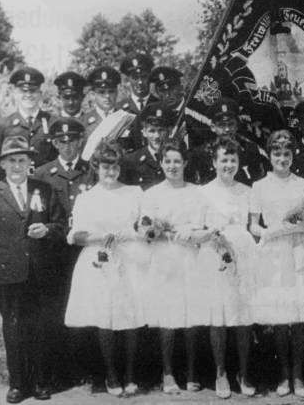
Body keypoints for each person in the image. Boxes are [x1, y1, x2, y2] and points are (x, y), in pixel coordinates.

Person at [0, 136, 67, 403]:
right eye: (11, 160)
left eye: (21, 160)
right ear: (2, 164)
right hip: (7, 273)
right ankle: (17, 383)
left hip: (40, 272)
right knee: (13, 327)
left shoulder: (44, 190)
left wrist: (47, 229)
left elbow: (61, 225)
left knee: (40, 327)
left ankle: (40, 381)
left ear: (29, 163)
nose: (16, 165)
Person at [63, 139, 146, 397]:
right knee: (105, 317)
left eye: (115, 167)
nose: (111, 172)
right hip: (99, 261)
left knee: (131, 316)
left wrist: (134, 233)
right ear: (96, 168)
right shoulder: (86, 198)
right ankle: (111, 375)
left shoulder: (134, 193)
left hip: (130, 258)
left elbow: (144, 225)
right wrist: (99, 237)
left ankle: (130, 374)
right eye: (106, 167)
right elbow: (75, 236)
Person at [249, 130, 304, 398]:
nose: (282, 159)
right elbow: (253, 225)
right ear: (269, 156)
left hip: (299, 249)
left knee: (299, 317)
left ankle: (298, 374)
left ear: (293, 155)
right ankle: (284, 374)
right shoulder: (259, 186)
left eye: (287, 154)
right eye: (277, 154)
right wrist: (270, 231)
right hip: (274, 251)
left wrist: (302, 225)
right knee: (281, 318)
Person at [187, 136, 257, 399]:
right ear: (214, 162)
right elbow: (194, 233)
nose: (229, 164)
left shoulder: (247, 191)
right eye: (224, 159)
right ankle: (220, 372)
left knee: (243, 317)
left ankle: (244, 372)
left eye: (233, 160)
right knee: (219, 317)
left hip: (244, 256)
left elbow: (252, 228)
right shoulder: (202, 192)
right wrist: (212, 233)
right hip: (215, 256)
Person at [33, 118, 96, 382]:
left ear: (80, 142)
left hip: (86, 247)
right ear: (55, 143)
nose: (67, 146)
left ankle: (90, 367)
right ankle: (62, 370)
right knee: (57, 306)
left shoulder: (92, 170)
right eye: (61, 141)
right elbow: (38, 214)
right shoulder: (42, 174)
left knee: (89, 304)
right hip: (56, 250)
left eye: (72, 141)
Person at [140, 139, 204, 394]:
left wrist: (190, 231)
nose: (172, 166)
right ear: (161, 163)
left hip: (189, 258)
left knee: (190, 318)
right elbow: (146, 229)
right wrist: (161, 231)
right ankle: (167, 373)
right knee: (167, 319)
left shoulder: (196, 192)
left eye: (177, 161)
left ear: (185, 163)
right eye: (167, 161)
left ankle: (192, 372)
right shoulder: (152, 194)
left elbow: (199, 226)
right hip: (163, 258)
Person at [185, 98, 269, 186]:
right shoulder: (201, 154)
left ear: (237, 125)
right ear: (213, 127)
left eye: (231, 124)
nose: (227, 129)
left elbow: (258, 182)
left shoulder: (250, 150)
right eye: (221, 125)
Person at [0, 66, 57, 168]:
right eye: (24, 91)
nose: (28, 95)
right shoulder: (2, 125)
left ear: (40, 93)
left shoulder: (53, 122)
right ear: (15, 93)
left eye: (33, 91)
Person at [149, 65, 207, 148]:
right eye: (163, 91)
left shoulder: (195, 108)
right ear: (158, 93)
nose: (167, 95)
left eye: (171, 90)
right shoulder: (156, 113)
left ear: (180, 88)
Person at [121, 105, 175, 189]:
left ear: (169, 131)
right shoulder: (130, 161)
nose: (157, 136)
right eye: (152, 131)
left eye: (161, 130)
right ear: (144, 132)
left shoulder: (177, 159)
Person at [80, 66, 123, 141]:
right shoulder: (83, 122)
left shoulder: (126, 118)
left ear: (116, 93)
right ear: (93, 95)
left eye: (111, 91)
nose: (107, 96)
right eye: (102, 92)